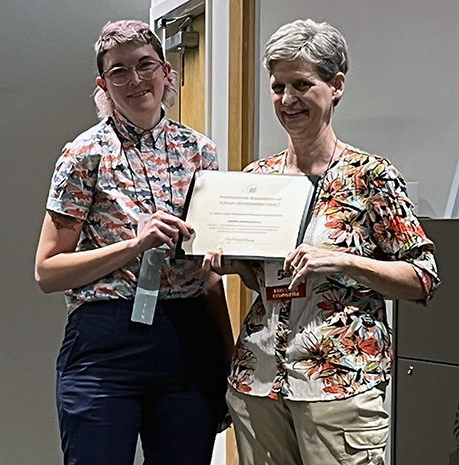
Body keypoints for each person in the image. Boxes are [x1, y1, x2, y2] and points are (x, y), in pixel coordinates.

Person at [202, 18, 440, 465]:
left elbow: (422, 279)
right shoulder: (258, 178)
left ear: (336, 86)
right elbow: (266, 282)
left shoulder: (370, 176)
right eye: (278, 87)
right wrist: (235, 265)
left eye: (301, 85)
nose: (287, 99)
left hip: (339, 384)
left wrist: (342, 261)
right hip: (259, 381)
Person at [35, 19, 232, 465]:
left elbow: (209, 276)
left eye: (145, 65)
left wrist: (228, 352)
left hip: (187, 334)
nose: (135, 79)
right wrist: (133, 246)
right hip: (105, 340)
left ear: (166, 71)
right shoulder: (84, 154)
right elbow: (47, 271)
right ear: (103, 85)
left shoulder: (200, 151)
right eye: (119, 71)